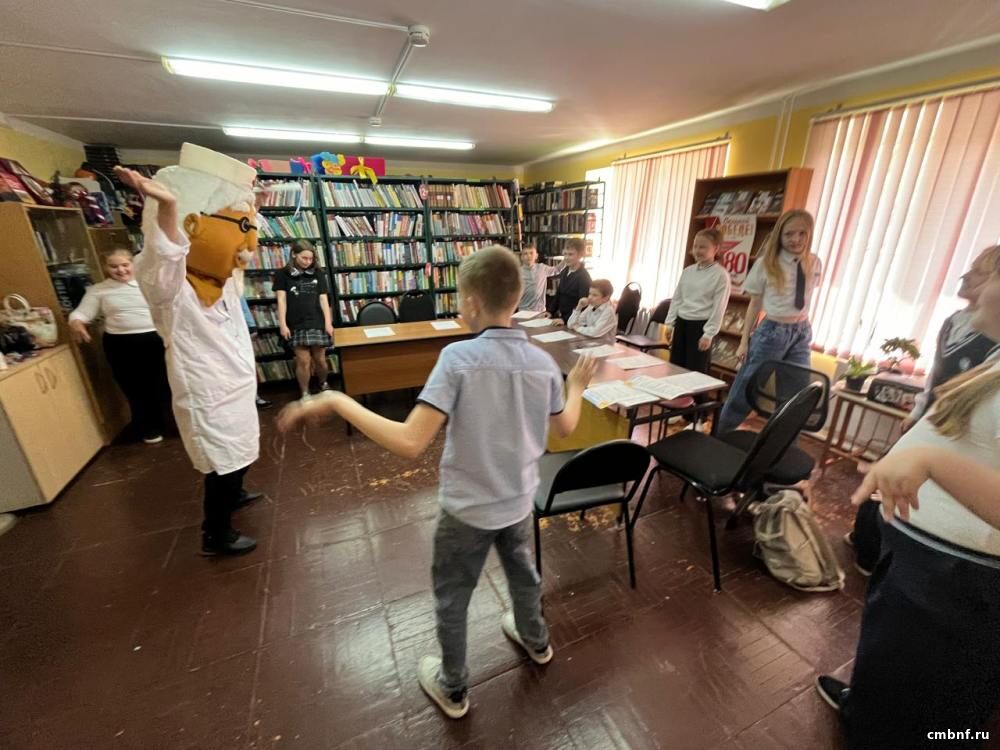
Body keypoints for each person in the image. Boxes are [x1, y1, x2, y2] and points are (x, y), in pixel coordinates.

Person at [277, 246, 598, 719]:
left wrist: (338, 401)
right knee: (523, 576)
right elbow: (566, 427)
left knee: (453, 596)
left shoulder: (457, 358)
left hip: (466, 511)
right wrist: (577, 388)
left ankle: (454, 686)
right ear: (517, 298)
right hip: (517, 503)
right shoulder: (542, 363)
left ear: (470, 302)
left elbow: (410, 441)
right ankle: (536, 640)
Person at [815, 249, 1000, 749]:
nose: (978, 288)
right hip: (926, 559)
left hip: (961, 579)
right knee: (888, 667)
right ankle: (863, 709)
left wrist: (930, 462)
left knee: (941, 713)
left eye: (992, 277)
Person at [115, 145, 263, 557]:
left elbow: (240, 240)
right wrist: (167, 208)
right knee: (221, 461)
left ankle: (236, 495)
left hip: (236, 385)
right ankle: (215, 535)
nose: (245, 249)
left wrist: (252, 206)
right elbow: (164, 254)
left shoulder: (224, 281)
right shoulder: (174, 290)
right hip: (207, 391)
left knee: (242, 450)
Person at [846, 244, 1000, 574]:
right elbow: (936, 381)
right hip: (924, 552)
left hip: (953, 565)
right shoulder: (960, 329)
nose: (970, 278)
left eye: (988, 275)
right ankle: (866, 544)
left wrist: (930, 460)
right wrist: (919, 418)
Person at [716, 210, 822, 434]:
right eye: (789, 234)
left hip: (801, 331)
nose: (796, 239)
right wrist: (744, 342)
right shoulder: (766, 264)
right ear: (779, 236)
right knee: (747, 388)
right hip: (772, 332)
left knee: (796, 396)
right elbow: (754, 304)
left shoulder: (814, 262)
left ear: (809, 234)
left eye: (802, 233)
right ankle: (720, 434)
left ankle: (781, 444)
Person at [68, 247, 170, 443]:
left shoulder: (148, 283)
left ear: (133, 264)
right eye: (114, 266)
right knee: (134, 387)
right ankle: (148, 428)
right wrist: (77, 322)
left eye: (125, 265)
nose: (121, 270)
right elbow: (82, 312)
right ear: (106, 268)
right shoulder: (99, 290)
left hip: (155, 339)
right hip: (121, 344)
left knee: (163, 383)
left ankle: (170, 424)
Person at [666, 228, 732, 375]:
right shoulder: (688, 271)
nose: (697, 250)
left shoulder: (721, 275)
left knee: (695, 372)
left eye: (703, 247)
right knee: (675, 368)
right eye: (695, 246)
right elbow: (677, 298)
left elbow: (719, 308)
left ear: (716, 249)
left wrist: (708, 334)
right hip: (681, 323)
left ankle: (695, 393)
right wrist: (670, 324)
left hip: (700, 327)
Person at [273, 240, 334, 401]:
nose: (307, 262)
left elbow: (323, 299)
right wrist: (283, 324)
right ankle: (305, 392)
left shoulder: (318, 273)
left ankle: (323, 383)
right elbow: (281, 300)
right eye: (304, 258)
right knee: (303, 361)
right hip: (295, 323)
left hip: (316, 321)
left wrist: (328, 323)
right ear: (294, 254)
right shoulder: (282, 274)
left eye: (310, 259)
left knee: (320, 359)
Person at [238, 294, 272, 409]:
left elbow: (241, 302)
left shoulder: (232, 287)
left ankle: (254, 397)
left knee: (247, 365)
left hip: (239, 329)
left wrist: (251, 325)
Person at [547, 238, 592, 323]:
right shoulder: (565, 271)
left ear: (580, 255)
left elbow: (583, 305)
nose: (566, 258)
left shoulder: (584, 277)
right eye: (565, 254)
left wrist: (565, 319)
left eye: (570, 254)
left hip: (573, 321)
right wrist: (550, 312)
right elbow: (559, 294)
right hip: (561, 317)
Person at [518, 243, 561, 313]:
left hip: (540, 311)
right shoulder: (517, 272)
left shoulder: (542, 268)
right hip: (523, 311)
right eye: (525, 254)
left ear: (536, 256)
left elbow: (557, 269)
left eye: (531, 253)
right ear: (521, 257)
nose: (529, 256)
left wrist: (566, 259)